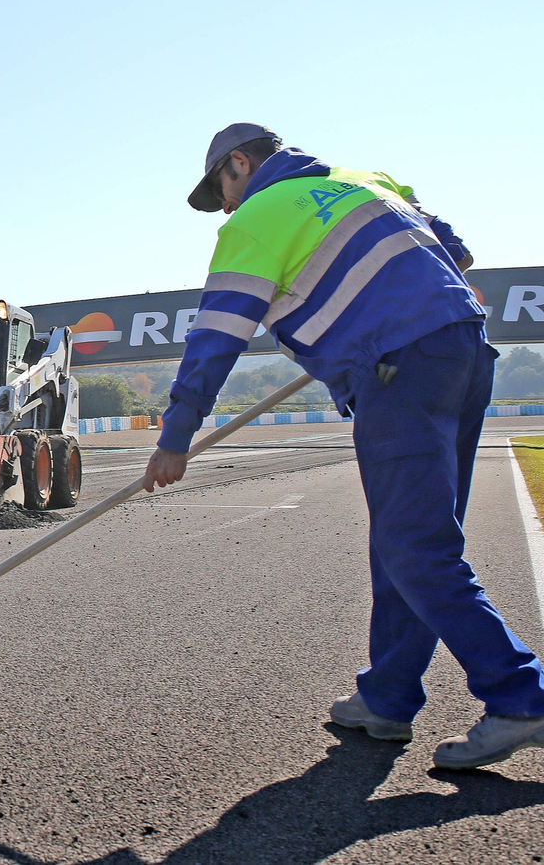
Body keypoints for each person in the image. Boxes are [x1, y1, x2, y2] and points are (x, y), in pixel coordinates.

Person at [143, 122, 544, 770]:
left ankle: (521, 698)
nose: (224, 207)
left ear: (239, 164)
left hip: (399, 368)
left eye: (220, 191)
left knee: (415, 548)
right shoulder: (366, 181)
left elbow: (217, 334)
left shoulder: (257, 217)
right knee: (407, 541)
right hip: (463, 350)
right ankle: (388, 698)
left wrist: (176, 437)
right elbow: (458, 252)